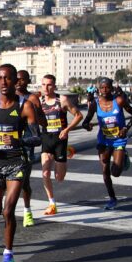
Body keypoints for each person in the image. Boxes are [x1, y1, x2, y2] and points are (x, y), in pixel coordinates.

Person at [0, 64, 41, 262]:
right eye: (0, 78)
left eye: (8, 78)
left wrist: (18, 141)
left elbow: (36, 137)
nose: (4, 82)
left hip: (16, 162)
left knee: (8, 210)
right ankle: (7, 248)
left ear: (16, 81)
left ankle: (8, 253)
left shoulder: (25, 106)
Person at [82, 77, 132, 210]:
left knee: (116, 172)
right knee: (105, 171)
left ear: (111, 88)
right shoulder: (95, 104)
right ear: (98, 89)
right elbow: (85, 122)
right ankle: (112, 198)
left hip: (118, 139)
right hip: (103, 140)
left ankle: (123, 156)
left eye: (107, 87)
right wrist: (88, 126)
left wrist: (126, 128)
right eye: (102, 88)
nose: (104, 90)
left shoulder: (119, 101)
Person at [37, 74, 83, 216]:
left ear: (54, 86)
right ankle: (52, 203)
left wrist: (67, 129)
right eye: (44, 84)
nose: (46, 87)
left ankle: (66, 153)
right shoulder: (38, 102)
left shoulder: (62, 100)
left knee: (59, 177)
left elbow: (79, 115)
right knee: (45, 172)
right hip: (46, 139)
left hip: (60, 139)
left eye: (49, 84)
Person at [15, 70, 47, 227]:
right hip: (8, 144)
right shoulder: (7, 97)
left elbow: (43, 123)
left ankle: (27, 211)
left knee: (24, 181)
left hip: (27, 143)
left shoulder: (32, 98)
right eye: (17, 79)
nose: (19, 82)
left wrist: (36, 109)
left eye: (22, 79)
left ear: (28, 81)